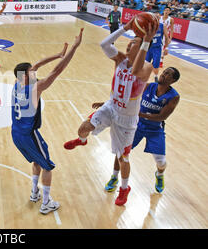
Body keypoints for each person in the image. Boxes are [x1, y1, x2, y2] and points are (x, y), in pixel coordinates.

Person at [63, 18, 157, 206]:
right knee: (83, 128)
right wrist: (125, 28)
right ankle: (82, 141)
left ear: (142, 49)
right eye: (129, 42)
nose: (129, 44)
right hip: (111, 106)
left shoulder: (146, 67)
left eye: (133, 43)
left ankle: (124, 188)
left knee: (123, 158)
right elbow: (104, 43)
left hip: (127, 119)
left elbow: (136, 69)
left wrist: (146, 40)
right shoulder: (120, 59)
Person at [12, 28, 84, 215]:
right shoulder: (35, 89)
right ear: (26, 76)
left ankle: (34, 192)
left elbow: (35, 65)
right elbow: (57, 71)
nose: (34, 71)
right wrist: (73, 49)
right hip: (29, 134)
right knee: (47, 166)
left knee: (36, 161)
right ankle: (46, 203)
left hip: (16, 134)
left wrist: (58, 54)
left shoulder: (18, 83)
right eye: (30, 72)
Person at [100, 67, 180, 194]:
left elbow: (162, 117)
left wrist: (140, 114)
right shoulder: (148, 86)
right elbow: (127, 96)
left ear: (173, 80)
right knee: (121, 152)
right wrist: (108, 104)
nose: (164, 75)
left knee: (161, 161)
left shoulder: (174, 97)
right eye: (164, 72)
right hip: (137, 125)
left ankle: (159, 175)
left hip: (155, 128)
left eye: (168, 75)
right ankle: (114, 178)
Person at [146, 14, 170, 83]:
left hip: (157, 48)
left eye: (158, 17)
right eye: (155, 17)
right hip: (148, 47)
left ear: (159, 18)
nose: (156, 18)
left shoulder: (163, 26)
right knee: (146, 63)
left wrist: (167, 47)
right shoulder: (148, 25)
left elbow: (166, 37)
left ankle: (156, 77)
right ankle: (144, 77)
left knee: (156, 65)